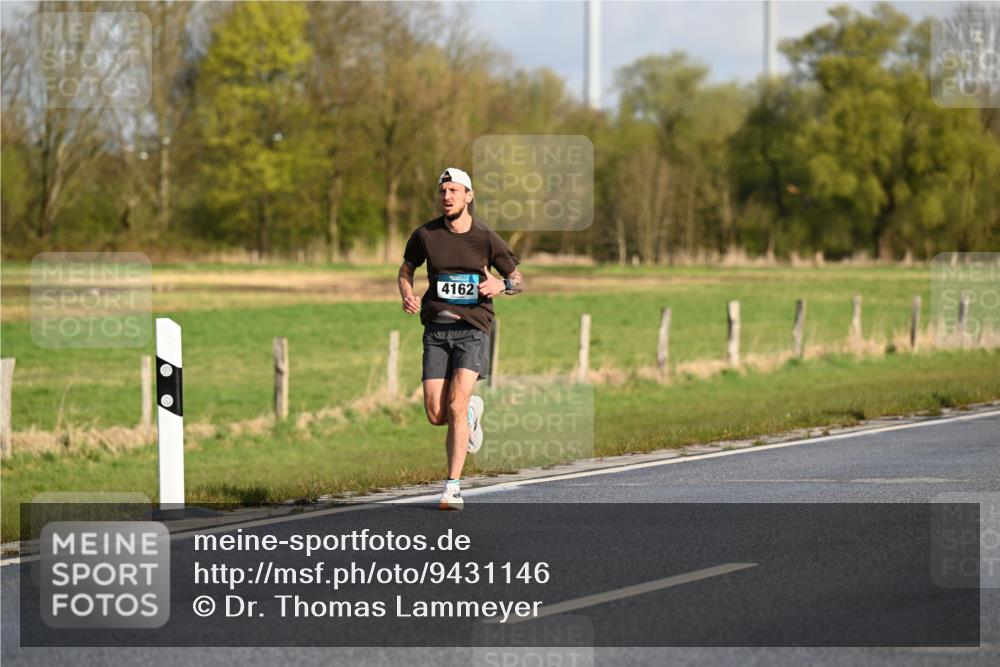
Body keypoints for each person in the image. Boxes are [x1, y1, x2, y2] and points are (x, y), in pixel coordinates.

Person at [398, 167, 523, 510]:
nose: (447, 196)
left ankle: (452, 488)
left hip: (472, 329)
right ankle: (471, 414)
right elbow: (406, 269)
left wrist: (501, 284)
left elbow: (517, 279)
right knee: (437, 414)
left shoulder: (485, 238)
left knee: (454, 404)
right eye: (443, 191)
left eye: (454, 190)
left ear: (469, 196)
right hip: (436, 332)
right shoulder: (425, 235)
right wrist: (406, 293)